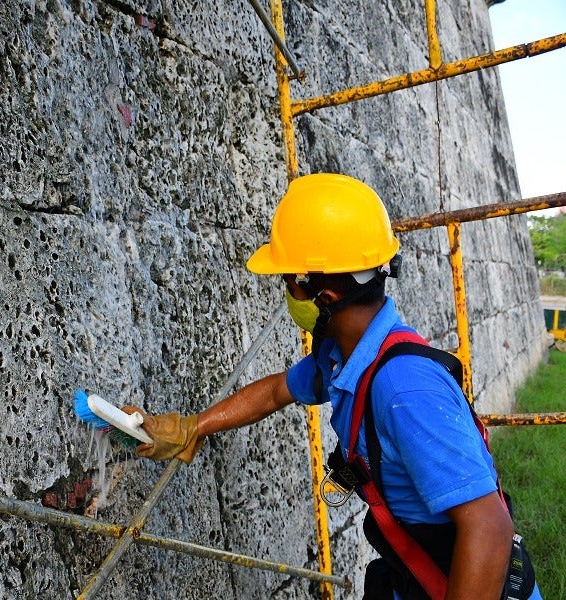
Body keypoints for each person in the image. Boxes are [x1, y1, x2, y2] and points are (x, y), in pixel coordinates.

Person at [124, 173, 540, 600]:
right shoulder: (347, 358)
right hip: (421, 577)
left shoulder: (403, 389)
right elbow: (273, 392)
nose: (287, 294)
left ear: (321, 294)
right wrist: (192, 427)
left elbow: (488, 529)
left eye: (288, 282)